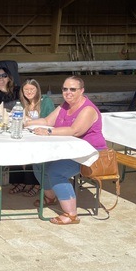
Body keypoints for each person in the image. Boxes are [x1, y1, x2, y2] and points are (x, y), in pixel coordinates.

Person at [25, 76, 107, 225]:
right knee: (39, 162)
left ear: (81, 91)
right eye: (65, 89)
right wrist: (25, 122)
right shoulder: (65, 105)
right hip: (69, 149)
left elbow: (75, 131)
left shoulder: (87, 109)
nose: (68, 92)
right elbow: (47, 121)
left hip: (89, 153)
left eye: (72, 89)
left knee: (56, 172)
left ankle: (71, 214)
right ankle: (51, 197)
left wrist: (48, 132)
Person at [7, 78, 56, 197]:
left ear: (37, 89)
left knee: (31, 152)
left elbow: (51, 120)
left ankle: (35, 183)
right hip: (27, 134)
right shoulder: (23, 103)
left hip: (42, 136)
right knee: (14, 148)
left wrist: (30, 121)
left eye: (32, 89)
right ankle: (21, 181)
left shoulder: (45, 101)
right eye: (26, 89)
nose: (29, 92)